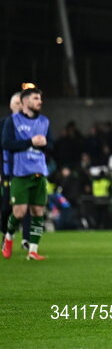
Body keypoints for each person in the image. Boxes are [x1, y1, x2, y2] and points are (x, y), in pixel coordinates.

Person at [2, 88, 52, 260]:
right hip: (20, 173)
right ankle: (8, 237)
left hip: (39, 171)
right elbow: (6, 144)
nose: (40, 101)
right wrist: (30, 141)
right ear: (25, 102)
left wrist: (45, 144)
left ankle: (33, 251)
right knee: (19, 213)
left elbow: (51, 146)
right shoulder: (12, 121)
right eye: (36, 98)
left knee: (38, 211)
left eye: (40, 98)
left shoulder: (45, 121)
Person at [2, 92, 31, 250]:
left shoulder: (32, 124)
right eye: (16, 103)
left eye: (21, 103)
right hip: (9, 171)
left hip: (28, 171)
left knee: (27, 208)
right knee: (8, 208)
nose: (19, 105)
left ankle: (26, 240)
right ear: (11, 105)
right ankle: (6, 236)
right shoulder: (5, 124)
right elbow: (5, 146)